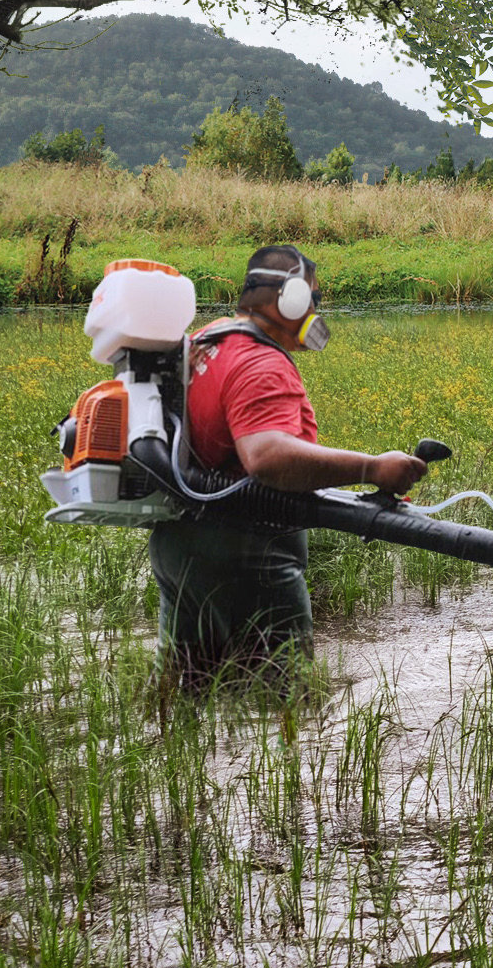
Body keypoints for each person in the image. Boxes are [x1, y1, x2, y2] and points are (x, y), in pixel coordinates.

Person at [149, 243, 428, 686]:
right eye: (314, 299)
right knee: (286, 703)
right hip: (248, 553)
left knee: (187, 693)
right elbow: (267, 456)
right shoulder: (260, 362)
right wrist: (372, 468)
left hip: (181, 545)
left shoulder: (212, 336)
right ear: (292, 298)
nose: (317, 310)